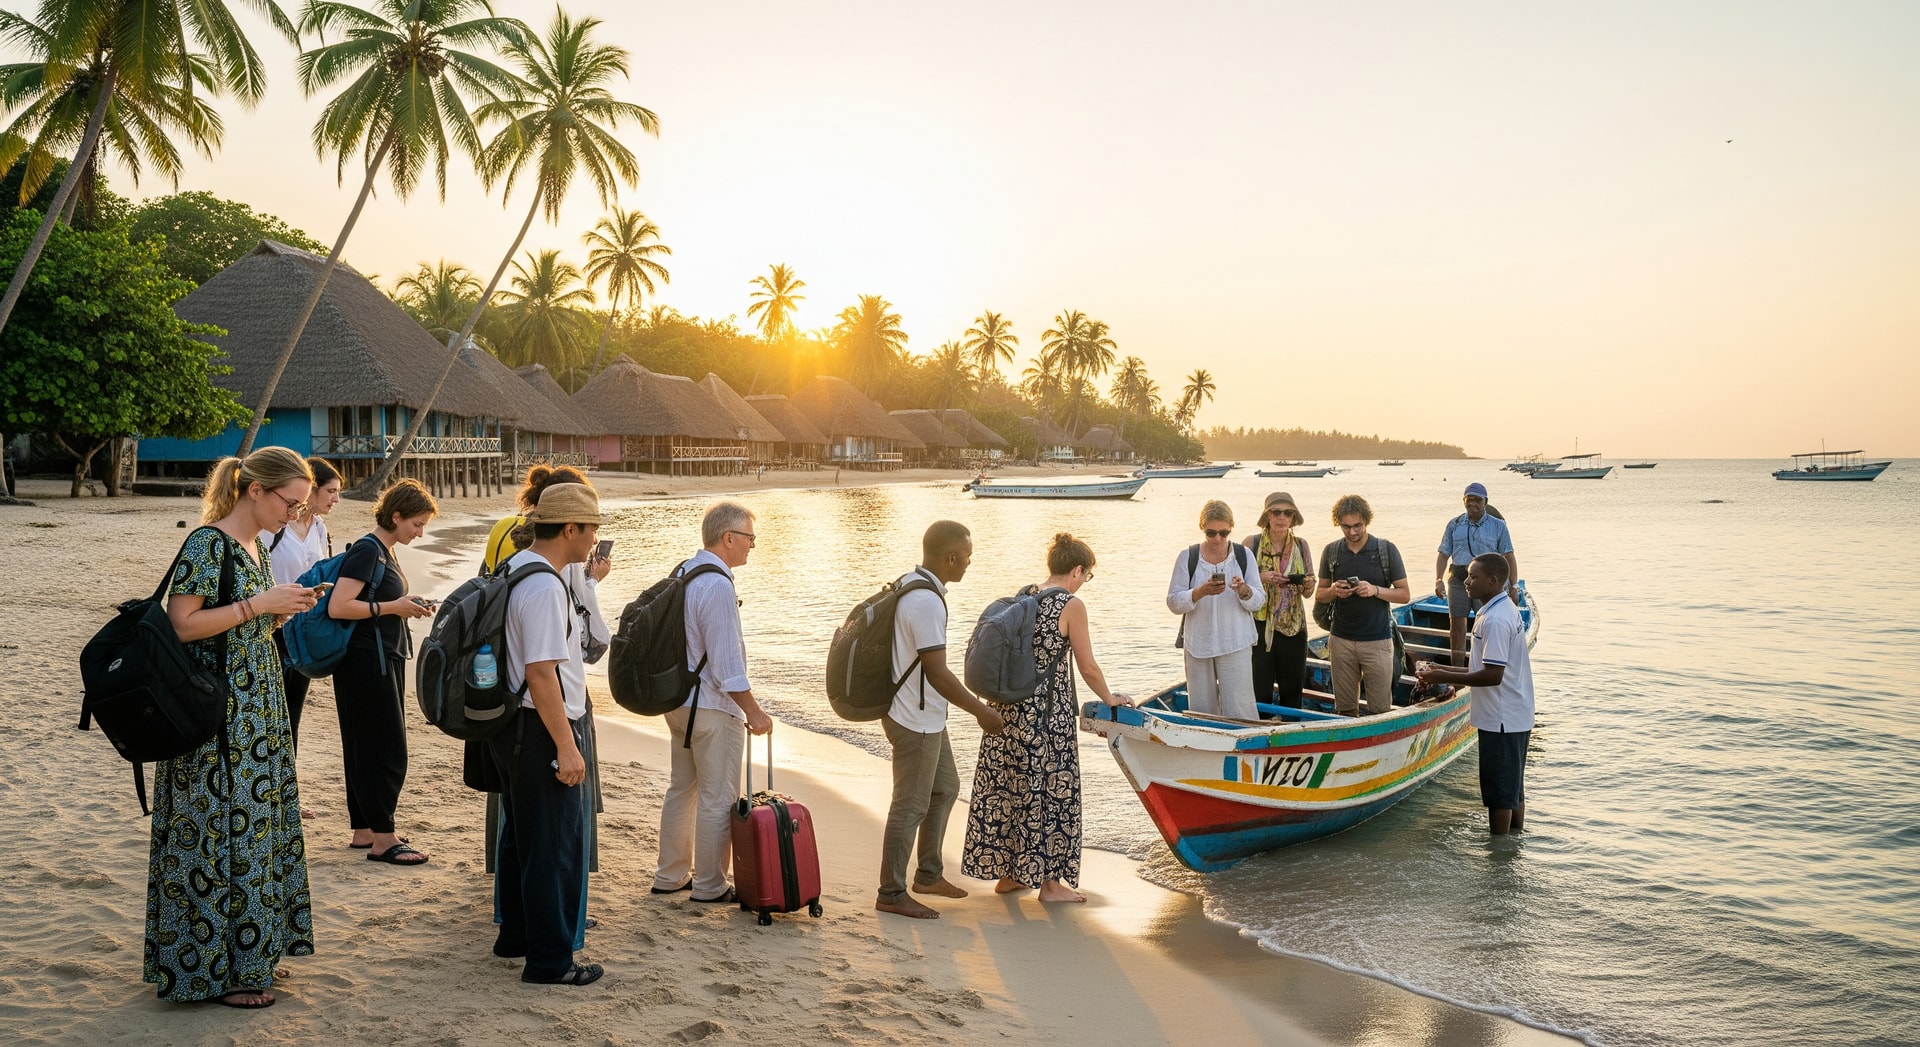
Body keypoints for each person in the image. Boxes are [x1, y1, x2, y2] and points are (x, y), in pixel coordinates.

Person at [151, 447, 320, 1007]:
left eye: (300, 506)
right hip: (217, 719)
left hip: (257, 711)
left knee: (255, 835)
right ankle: (218, 970)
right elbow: (181, 626)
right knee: (220, 836)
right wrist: (256, 607)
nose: (295, 515)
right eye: (289, 503)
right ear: (255, 490)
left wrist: (279, 608)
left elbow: (241, 626)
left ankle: (252, 954)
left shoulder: (255, 547)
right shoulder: (207, 543)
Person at [481, 467, 613, 946]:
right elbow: (541, 674)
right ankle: (551, 959)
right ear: (570, 529)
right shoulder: (544, 586)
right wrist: (567, 746)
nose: (596, 537)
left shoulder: (518, 567)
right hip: (538, 726)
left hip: (514, 723)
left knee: (522, 837)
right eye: (592, 527)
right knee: (553, 844)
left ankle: (515, 936)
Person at [963, 532, 1129, 903]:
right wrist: (1110, 698)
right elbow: (1086, 666)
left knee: (1012, 789)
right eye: (1086, 577)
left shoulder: (1025, 597)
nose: (1085, 583)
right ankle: (1051, 886)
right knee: (1050, 792)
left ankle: (1010, 875)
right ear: (1077, 570)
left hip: (1006, 713)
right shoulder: (1070, 605)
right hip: (1045, 719)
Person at [874, 521, 1007, 921]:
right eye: (966, 556)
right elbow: (938, 672)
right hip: (914, 718)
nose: (969, 562)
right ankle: (891, 892)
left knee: (945, 788)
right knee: (909, 805)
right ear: (950, 557)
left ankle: (928, 875)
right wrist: (980, 710)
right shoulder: (927, 602)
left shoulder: (915, 583)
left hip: (924, 714)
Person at [651, 501, 775, 903]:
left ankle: (670, 875)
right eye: (749, 538)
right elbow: (726, 668)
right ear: (729, 538)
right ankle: (709, 885)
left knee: (681, 789)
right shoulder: (718, 585)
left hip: (677, 701)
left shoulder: (685, 571)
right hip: (710, 706)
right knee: (717, 796)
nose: (752, 546)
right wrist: (754, 711)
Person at [327, 479, 437, 864]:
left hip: (377, 657)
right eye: (417, 524)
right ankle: (384, 839)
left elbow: (380, 599)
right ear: (396, 515)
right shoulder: (367, 550)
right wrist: (394, 608)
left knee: (363, 745)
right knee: (386, 748)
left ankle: (365, 830)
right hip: (366, 661)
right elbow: (338, 606)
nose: (420, 532)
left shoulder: (384, 551)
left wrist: (409, 604)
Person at [1416, 553, 1534, 835]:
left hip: (1501, 718)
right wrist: (1439, 668)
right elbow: (1482, 666)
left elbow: (1492, 675)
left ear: (1493, 581)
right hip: (1515, 713)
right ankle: (1513, 846)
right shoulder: (1500, 609)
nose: (1465, 581)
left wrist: (1441, 676)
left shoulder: (1494, 620)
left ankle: (1498, 863)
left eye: (1472, 576)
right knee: (1513, 788)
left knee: (1500, 794)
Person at [263, 456, 341, 760]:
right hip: (273, 627)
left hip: (303, 628)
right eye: (331, 491)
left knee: (293, 709)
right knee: (273, 711)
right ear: (313, 490)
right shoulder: (273, 529)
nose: (336, 498)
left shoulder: (320, 529)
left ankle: (288, 791)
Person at [1165, 500, 1264, 719]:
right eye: (1211, 533)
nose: (1217, 539)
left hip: (1236, 642)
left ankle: (1245, 749)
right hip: (1198, 644)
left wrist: (1245, 591)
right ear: (1202, 528)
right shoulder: (1188, 557)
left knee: (1241, 710)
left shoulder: (1244, 555)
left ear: (1230, 529)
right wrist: (1199, 591)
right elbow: (1173, 602)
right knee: (1201, 711)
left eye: (1223, 533)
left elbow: (1259, 601)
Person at [1315, 494, 1411, 716]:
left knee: (1380, 709)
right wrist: (1333, 591)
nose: (1352, 532)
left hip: (1377, 641)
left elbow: (1404, 595)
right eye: (1346, 527)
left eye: (1357, 525)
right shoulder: (1331, 551)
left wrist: (1375, 590)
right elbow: (1320, 595)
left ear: (1367, 521)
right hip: (1340, 641)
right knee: (1345, 709)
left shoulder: (1386, 550)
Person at [1433, 482, 1519, 666]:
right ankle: (1457, 669)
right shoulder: (1454, 525)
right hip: (1458, 578)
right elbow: (1443, 554)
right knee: (1456, 624)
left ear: (1485, 502)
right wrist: (1439, 580)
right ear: (1463, 501)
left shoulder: (1498, 526)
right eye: (1468, 500)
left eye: (1477, 500)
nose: (1472, 504)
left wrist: (1513, 586)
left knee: (1489, 622)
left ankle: (1486, 666)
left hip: (1487, 581)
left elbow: (1508, 555)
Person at [1244, 491, 1314, 709]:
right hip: (1258, 626)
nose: (1281, 517)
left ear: (1293, 518)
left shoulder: (1302, 546)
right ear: (1267, 516)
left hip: (1293, 628)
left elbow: (1308, 593)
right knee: (1258, 690)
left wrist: (1308, 584)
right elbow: (1238, 584)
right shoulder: (1251, 543)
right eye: (1276, 512)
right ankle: (1258, 733)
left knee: (1292, 692)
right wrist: (1262, 578)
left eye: (1287, 513)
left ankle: (1290, 733)